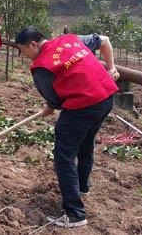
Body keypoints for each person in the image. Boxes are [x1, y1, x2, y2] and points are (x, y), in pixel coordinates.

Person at [15, 27, 119, 229]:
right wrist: (111, 68)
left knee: (64, 156)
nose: (23, 55)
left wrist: (50, 106)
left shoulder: (41, 67)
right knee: (86, 141)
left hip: (84, 104)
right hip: (106, 98)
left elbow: (55, 100)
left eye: (22, 50)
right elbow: (104, 40)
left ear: (32, 45)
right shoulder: (70, 39)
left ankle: (75, 214)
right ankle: (81, 187)